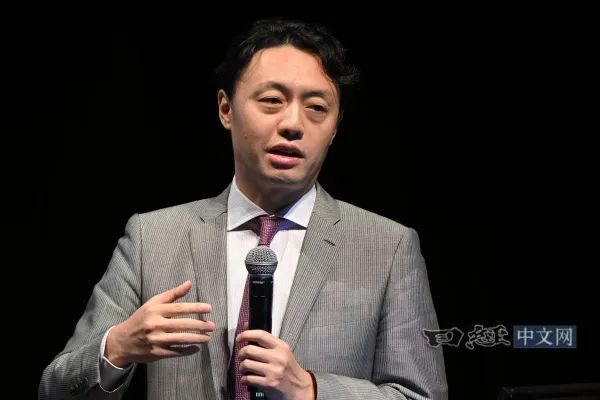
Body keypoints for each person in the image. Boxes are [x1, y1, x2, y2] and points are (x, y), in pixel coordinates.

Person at [39, 18, 448, 400]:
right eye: (272, 100)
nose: (293, 124)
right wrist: (117, 348)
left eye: (317, 107)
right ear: (226, 109)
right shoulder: (153, 238)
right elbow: (55, 389)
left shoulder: (388, 247)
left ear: (335, 127)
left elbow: (420, 394)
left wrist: (309, 389)